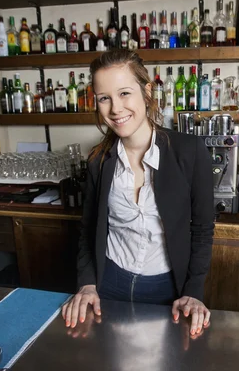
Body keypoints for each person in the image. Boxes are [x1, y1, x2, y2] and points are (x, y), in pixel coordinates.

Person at [62, 49, 214, 336]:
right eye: (104, 98)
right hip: (109, 284)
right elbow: (87, 230)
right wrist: (87, 284)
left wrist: (194, 292)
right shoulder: (98, 160)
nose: (115, 109)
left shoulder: (190, 152)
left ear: (146, 92)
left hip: (167, 290)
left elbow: (203, 230)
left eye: (124, 93)